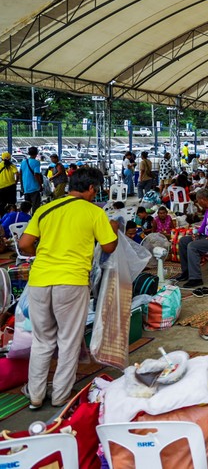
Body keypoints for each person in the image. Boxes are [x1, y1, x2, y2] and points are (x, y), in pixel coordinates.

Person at [18, 167, 118, 410]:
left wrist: (43, 256)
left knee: (42, 341)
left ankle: (36, 395)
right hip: (71, 281)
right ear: (92, 188)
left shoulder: (45, 209)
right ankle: (61, 395)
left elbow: (24, 244)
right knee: (68, 340)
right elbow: (108, 247)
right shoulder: (94, 212)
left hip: (39, 280)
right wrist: (113, 229)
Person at [21, 146, 43, 211]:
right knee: (36, 206)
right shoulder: (36, 162)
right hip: (34, 188)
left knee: (27, 207)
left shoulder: (23, 162)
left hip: (26, 188)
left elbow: (20, 174)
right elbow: (36, 174)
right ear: (36, 153)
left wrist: (22, 185)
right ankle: (34, 219)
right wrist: (40, 185)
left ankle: (26, 219)